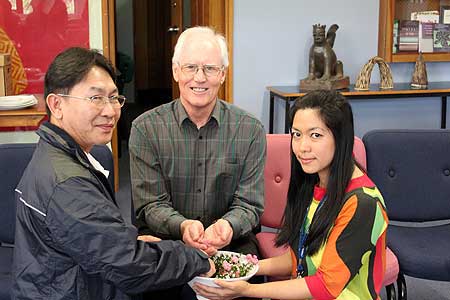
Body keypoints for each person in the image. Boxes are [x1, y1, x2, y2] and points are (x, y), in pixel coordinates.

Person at [12, 47, 215, 300]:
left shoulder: (56, 154)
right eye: (95, 98)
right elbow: (129, 265)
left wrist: (133, 242)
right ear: (56, 104)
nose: (110, 111)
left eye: (114, 98)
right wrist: (196, 259)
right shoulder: (68, 183)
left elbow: (94, 236)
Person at [193, 90, 389, 300]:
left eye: (316, 135)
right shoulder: (314, 182)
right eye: (296, 134)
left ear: (341, 137)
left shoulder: (363, 203)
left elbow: (325, 287)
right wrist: (240, 267)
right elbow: (302, 259)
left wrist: (247, 290)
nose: (302, 147)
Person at [129, 26, 266, 298]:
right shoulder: (145, 129)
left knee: (246, 290)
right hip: (168, 239)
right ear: (176, 71)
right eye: (190, 67)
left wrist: (227, 225)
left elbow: (249, 203)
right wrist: (182, 226)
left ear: (223, 75)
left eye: (210, 69)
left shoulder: (250, 130)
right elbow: (150, 205)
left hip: (231, 241)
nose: (199, 78)